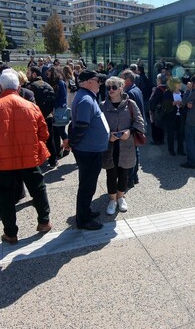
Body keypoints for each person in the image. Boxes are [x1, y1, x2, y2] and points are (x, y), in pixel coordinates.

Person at [0, 70, 53, 244]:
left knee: (5, 197)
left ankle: (11, 233)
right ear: (18, 86)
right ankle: (44, 221)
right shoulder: (31, 106)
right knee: (38, 188)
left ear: (0, 87)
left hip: (0, 161)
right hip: (29, 158)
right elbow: (44, 133)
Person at [62, 70, 109, 231]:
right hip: (88, 151)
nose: (100, 83)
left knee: (89, 184)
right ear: (89, 82)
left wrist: (71, 140)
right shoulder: (86, 100)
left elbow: (75, 124)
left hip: (90, 150)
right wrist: (72, 142)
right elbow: (80, 126)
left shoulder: (86, 97)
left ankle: (86, 211)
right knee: (87, 186)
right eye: (97, 80)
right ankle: (82, 220)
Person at [100, 76, 145, 215]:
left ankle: (121, 197)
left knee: (124, 173)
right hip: (110, 145)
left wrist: (130, 131)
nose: (111, 90)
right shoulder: (102, 105)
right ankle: (112, 200)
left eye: (114, 87)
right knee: (111, 174)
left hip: (126, 145)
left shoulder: (130, 104)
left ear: (121, 87)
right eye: (108, 87)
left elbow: (140, 122)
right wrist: (108, 136)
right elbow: (97, 127)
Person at [26, 66, 56, 166]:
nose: (27, 75)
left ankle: (38, 161)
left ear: (34, 74)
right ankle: (53, 160)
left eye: (29, 73)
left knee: (37, 140)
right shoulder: (48, 86)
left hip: (37, 118)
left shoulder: (31, 87)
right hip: (48, 116)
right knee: (50, 138)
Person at [121, 69, 145, 188]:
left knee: (131, 153)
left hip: (132, 127)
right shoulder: (137, 89)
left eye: (122, 78)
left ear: (128, 80)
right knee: (135, 152)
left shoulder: (129, 93)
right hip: (136, 125)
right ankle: (134, 176)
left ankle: (131, 178)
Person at [162, 76, 185, 156]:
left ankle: (180, 150)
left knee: (180, 133)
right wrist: (174, 103)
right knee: (171, 134)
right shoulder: (167, 92)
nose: (180, 84)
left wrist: (182, 104)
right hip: (170, 116)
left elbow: (185, 103)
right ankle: (171, 150)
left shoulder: (182, 92)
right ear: (174, 84)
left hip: (180, 116)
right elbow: (165, 105)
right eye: (178, 83)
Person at [148, 74, 167, 145]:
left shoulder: (158, 89)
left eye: (157, 79)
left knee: (155, 126)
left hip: (156, 111)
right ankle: (161, 139)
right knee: (161, 126)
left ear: (159, 80)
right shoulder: (167, 88)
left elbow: (153, 101)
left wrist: (150, 110)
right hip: (164, 111)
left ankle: (156, 140)